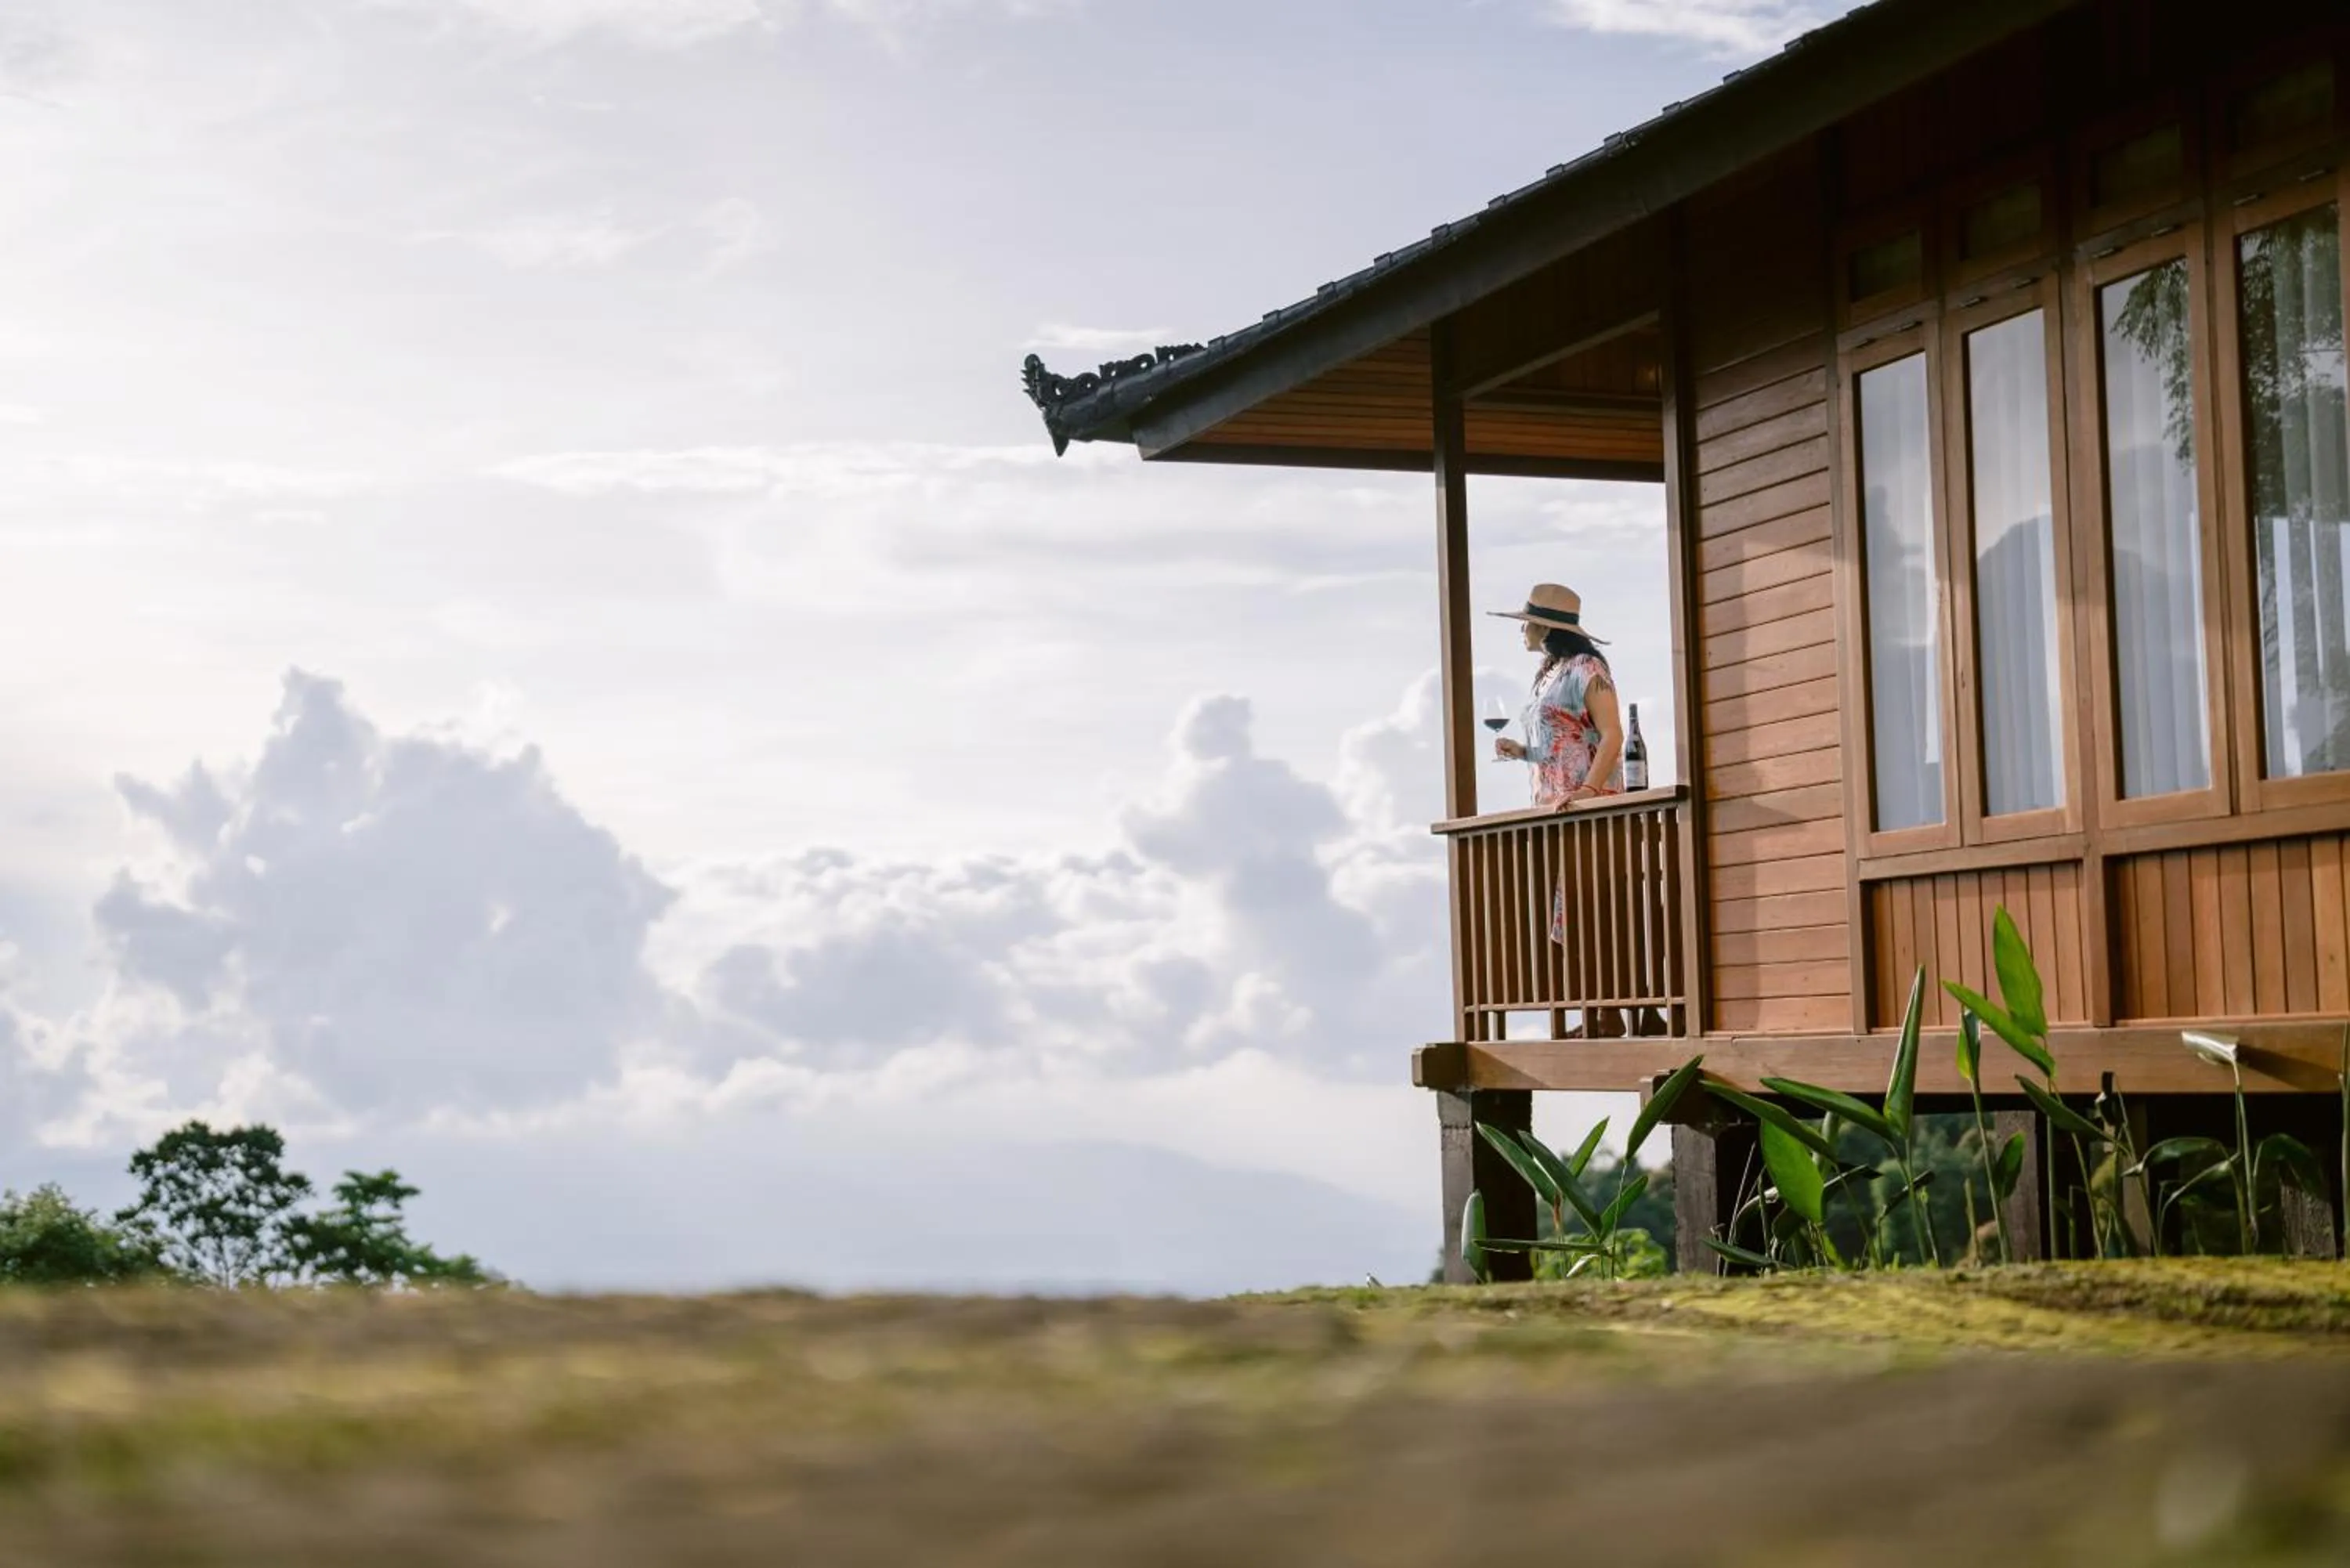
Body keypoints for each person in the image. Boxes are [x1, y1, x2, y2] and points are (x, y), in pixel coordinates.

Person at [1488, 583, 1632, 1039]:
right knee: (1570, 909)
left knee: (1589, 909)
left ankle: (1604, 1015)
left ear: (1547, 626)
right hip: (1555, 805)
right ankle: (1593, 1011)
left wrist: (1590, 788)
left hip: (1586, 806)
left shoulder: (1587, 668)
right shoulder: (1553, 672)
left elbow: (1611, 735)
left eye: (1527, 622)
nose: (1522, 631)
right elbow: (1561, 743)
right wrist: (1524, 752)